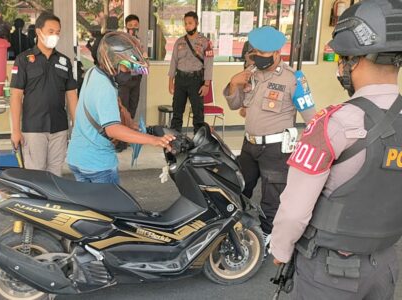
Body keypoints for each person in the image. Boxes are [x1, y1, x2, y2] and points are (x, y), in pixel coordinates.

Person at [271, 0, 402, 298]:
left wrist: (280, 249)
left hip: (330, 274)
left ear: (355, 60)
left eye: (341, 58)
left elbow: (294, 211)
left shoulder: (333, 124)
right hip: (384, 267)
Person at [223, 26, 316, 254]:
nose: (258, 57)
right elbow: (235, 105)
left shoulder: (293, 79)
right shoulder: (250, 73)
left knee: (271, 197)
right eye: (255, 52)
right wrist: (234, 83)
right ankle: (237, 228)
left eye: (263, 54)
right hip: (249, 145)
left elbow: (311, 117)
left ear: (277, 53)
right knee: (240, 188)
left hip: (276, 149)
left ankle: (267, 237)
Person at [67, 31, 174, 184]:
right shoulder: (106, 87)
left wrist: (132, 126)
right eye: (126, 67)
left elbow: (98, 113)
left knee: (91, 207)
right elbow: (113, 129)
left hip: (77, 158)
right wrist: (154, 140)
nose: (129, 73)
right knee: (113, 207)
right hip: (98, 164)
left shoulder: (93, 73)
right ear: (112, 61)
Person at [10, 12, 78, 177]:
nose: (55, 35)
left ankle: (53, 203)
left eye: (57, 32)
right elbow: (16, 96)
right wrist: (15, 130)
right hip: (33, 128)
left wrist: (78, 127)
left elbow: (71, 96)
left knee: (55, 175)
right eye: (51, 31)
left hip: (59, 128)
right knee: (35, 177)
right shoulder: (23, 60)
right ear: (39, 32)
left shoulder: (64, 61)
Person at [168, 11, 214, 133]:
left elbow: (209, 65)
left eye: (190, 23)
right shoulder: (179, 41)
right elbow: (173, 62)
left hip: (196, 80)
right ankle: (175, 141)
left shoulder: (205, 42)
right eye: (186, 23)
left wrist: (207, 84)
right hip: (180, 80)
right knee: (177, 112)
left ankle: (198, 144)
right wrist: (170, 81)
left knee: (198, 115)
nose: (187, 26)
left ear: (196, 23)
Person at [114, 14, 147, 152]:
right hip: (124, 79)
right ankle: (120, 141)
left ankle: (128, 138)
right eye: (131, 25)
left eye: (135, 25)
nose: (133, 28)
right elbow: (117, 59)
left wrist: (144, 61)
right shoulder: (120, 41)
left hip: (136, 79)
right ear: (126, 26)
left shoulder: (140, 42)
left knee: (132, 107)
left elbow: (143, 61)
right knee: (123, 109)